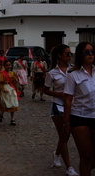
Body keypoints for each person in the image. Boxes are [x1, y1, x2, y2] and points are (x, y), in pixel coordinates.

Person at [44, 44, 78, 176]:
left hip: (72, 105)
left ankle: (57, 153)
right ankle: (69, 167)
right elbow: (45, 90)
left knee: (66, 135)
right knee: (64, 135)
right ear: (59, 55)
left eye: (71, 54)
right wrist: (58, 94)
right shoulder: (52, 73)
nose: (70, 56)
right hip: (58, 106)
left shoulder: (74, 70)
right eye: (67, 54)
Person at [64, 41, 95, 176]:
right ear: (80, 55)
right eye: (86, 52)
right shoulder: (73, 74)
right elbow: (68, 100)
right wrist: (66, 123)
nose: (90, 55)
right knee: (86, 155)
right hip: (80, 117)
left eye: (92, 52)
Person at [0, 60, 20, 126]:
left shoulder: (13, 73)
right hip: (4, 88)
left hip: (11, 89)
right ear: (4, 66)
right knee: (5, 103)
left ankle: (12, 119)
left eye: (9, 65)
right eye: (7, 65)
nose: (8, 66)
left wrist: (16, 81)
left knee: (13, 103)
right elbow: (0, 83)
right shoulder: (1, 73)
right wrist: (3, 89)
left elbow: (15, 82)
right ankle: (1, 114)